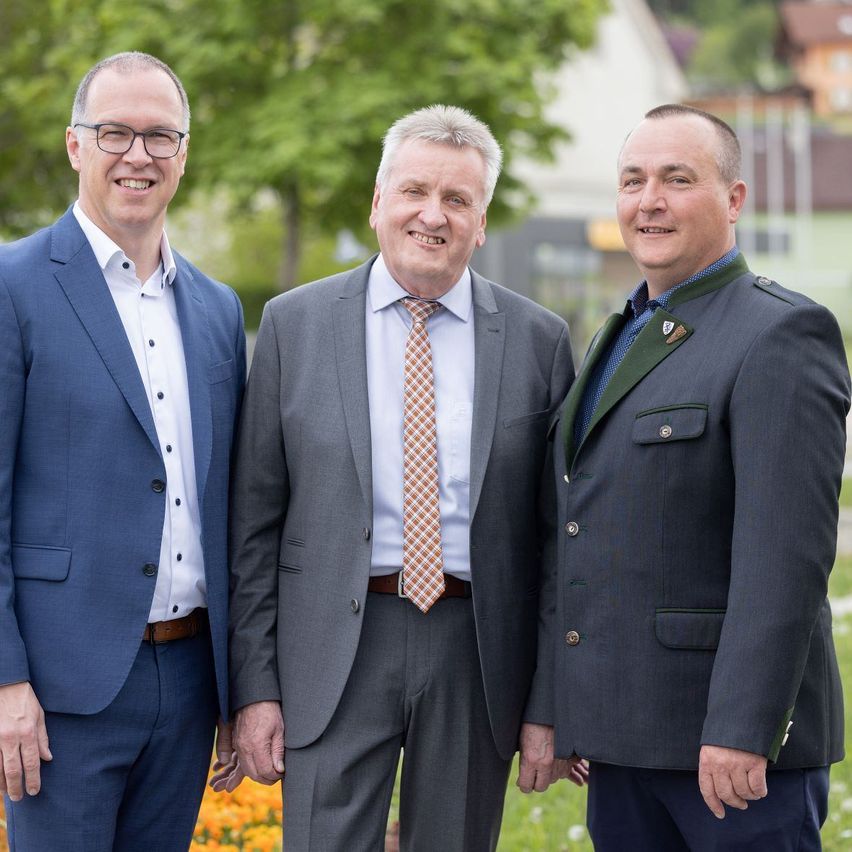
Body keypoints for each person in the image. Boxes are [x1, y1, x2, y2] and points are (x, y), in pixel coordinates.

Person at [223, 104, 581, 850]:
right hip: (330, 647)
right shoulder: (295, 326)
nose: (433, 215)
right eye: (415, 191)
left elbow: (558, 545)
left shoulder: (539, 342)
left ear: (482, 223)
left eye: (458, 200)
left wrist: (548, 702)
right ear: (378, 202)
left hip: (475, 649)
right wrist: (255, 690)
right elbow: (253, 526)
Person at [522, 103, 850, 850]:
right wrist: (565, 709)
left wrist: (743, 728)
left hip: (727, 758)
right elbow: (576, 532)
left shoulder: (779, 333)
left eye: (677, 178)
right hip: (620, 741)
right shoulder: (620, 333)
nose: (650, 200)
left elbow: (784, 560)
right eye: (633, 180)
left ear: (734, 200)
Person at [0, 52, 246, 850]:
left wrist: (236, 689)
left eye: (160, 136)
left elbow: (229, 505)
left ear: (184, 152)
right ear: (76, 145)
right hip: (59, 692)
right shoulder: (14, 286)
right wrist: (6, 682)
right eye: (115, 133)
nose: (138, 155)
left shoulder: (216, 309)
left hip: (187, 685)